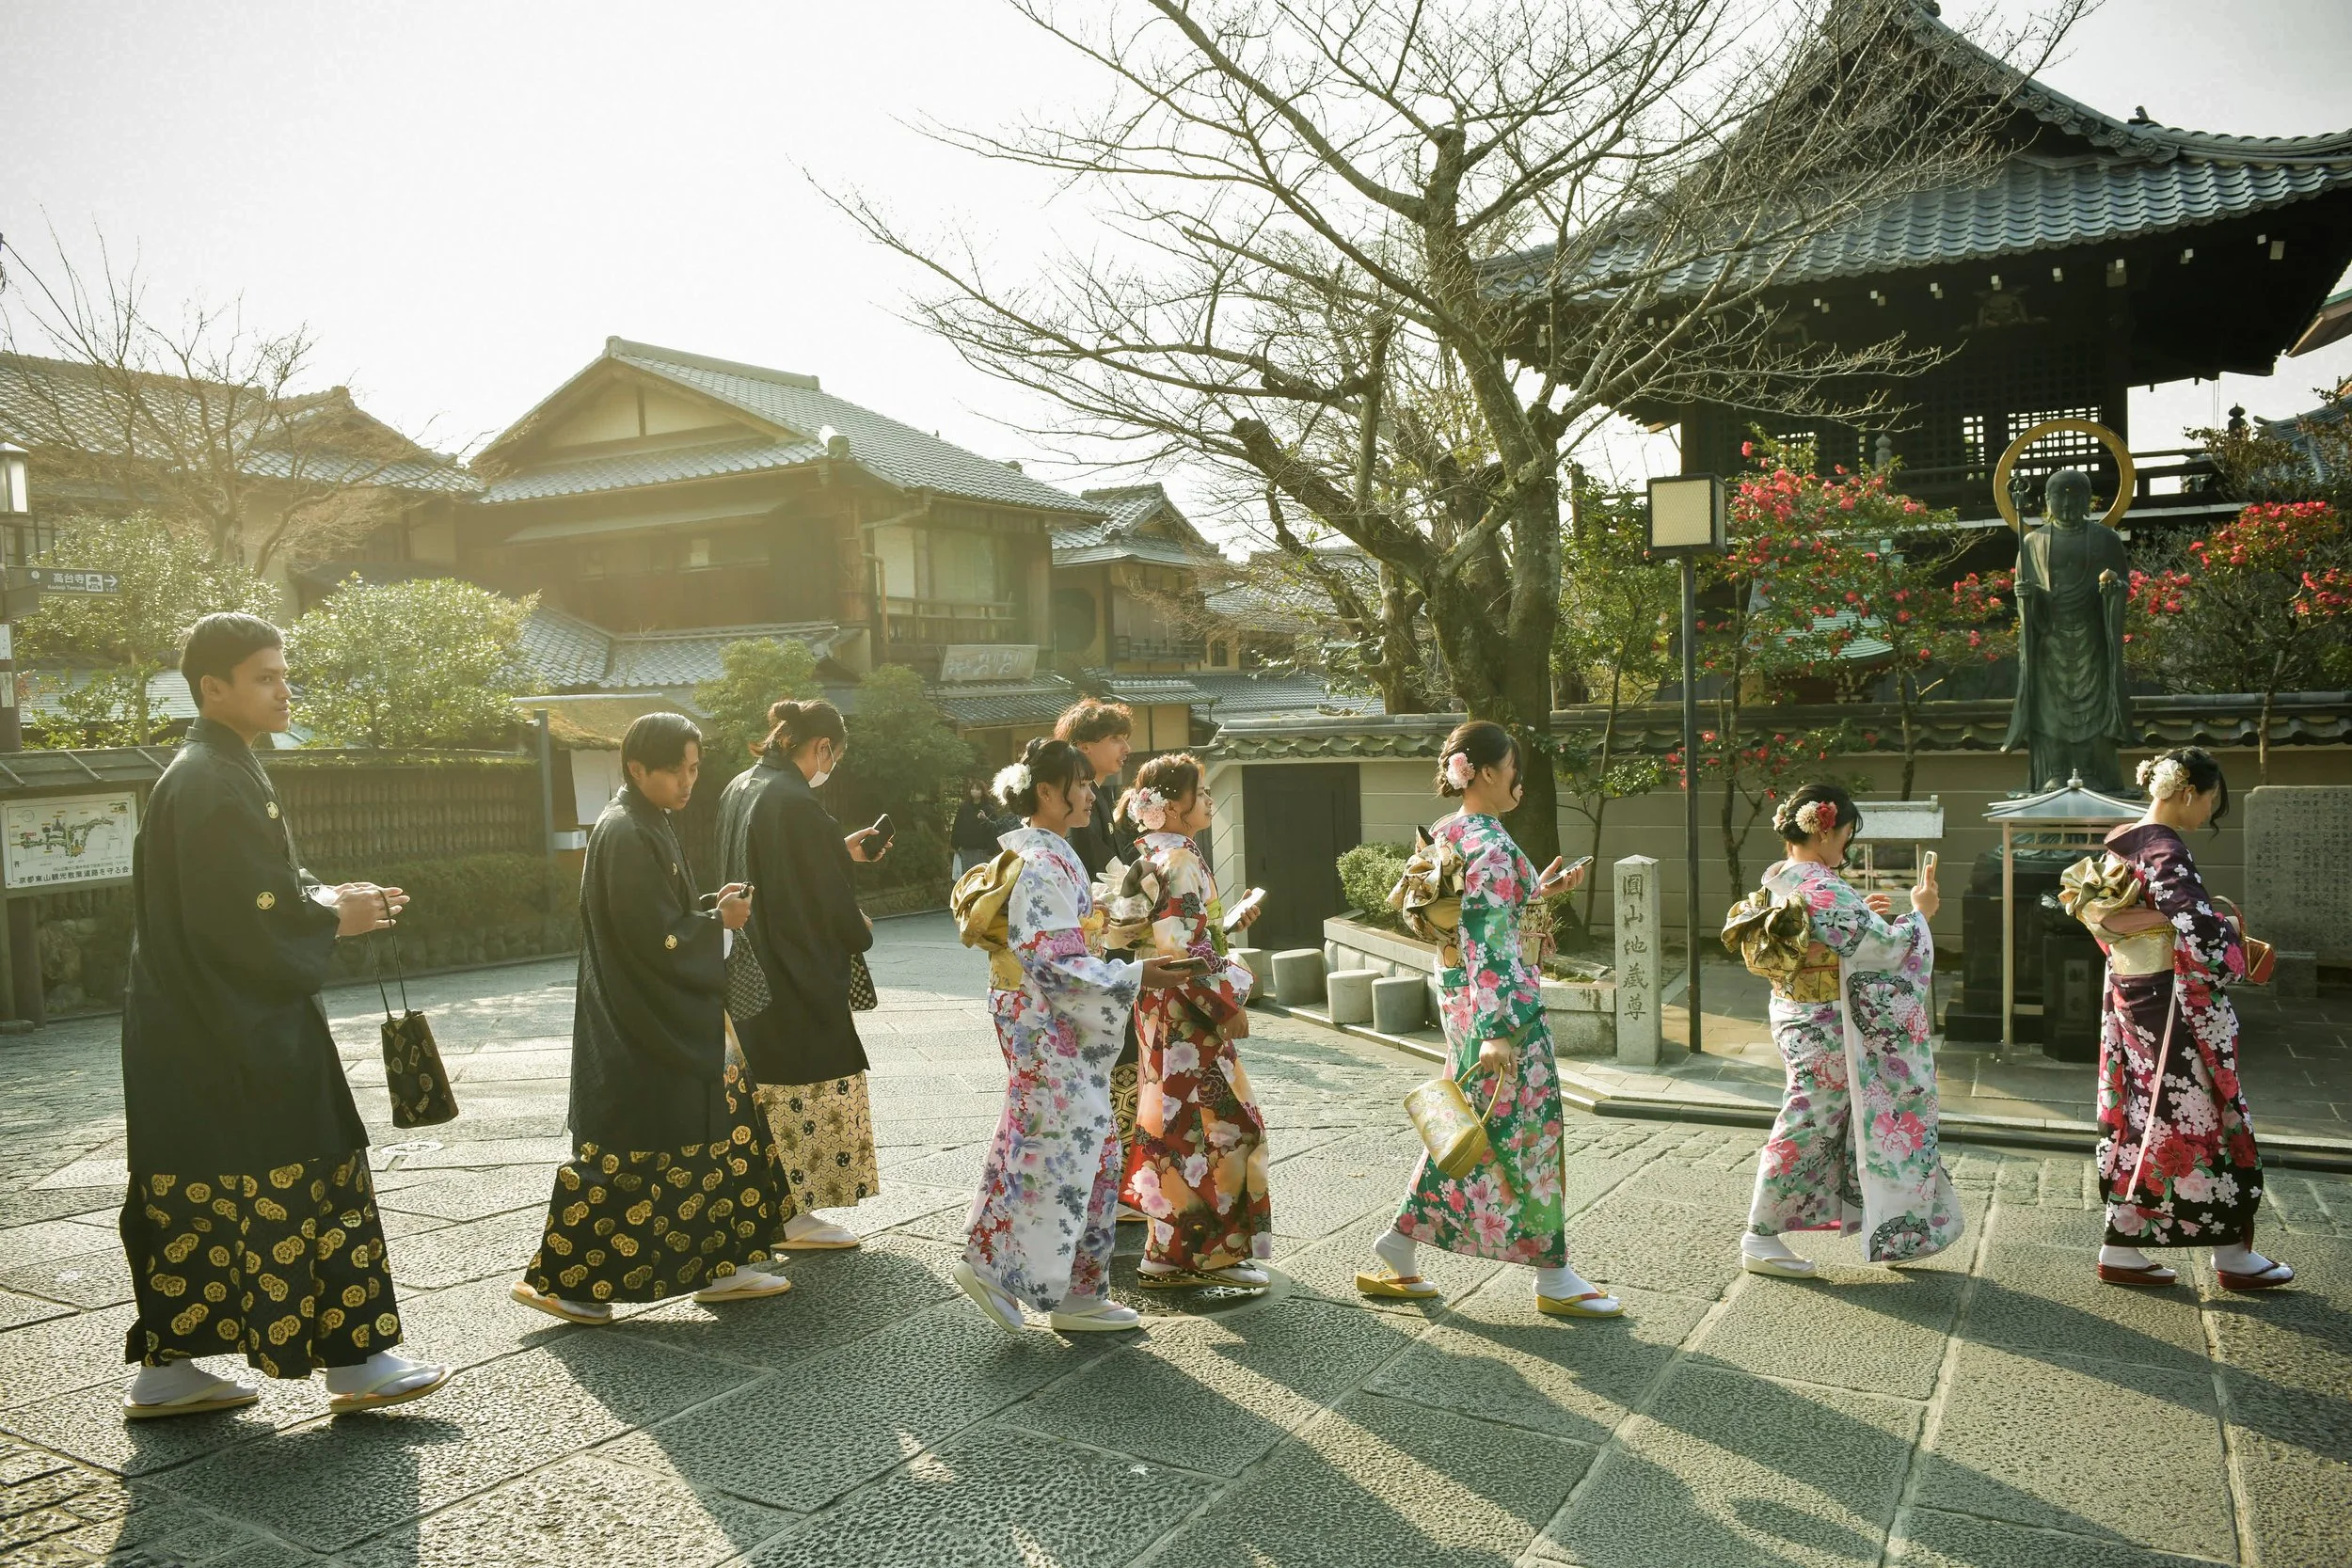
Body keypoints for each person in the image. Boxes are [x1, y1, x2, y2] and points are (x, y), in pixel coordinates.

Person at [118, 612, 449, 1418]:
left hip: (201, 1024)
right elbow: (241, 917)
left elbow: (260, 893)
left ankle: (171, 1365)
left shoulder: (217, 769)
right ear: (213, 688)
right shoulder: (208, 778)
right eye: (264, 676)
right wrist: (336, 916)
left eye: (282, 672)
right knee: (314, 1166)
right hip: (234, 1024)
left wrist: (334, 899)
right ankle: (355, 1356)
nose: (282, 687)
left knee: (200, 1186)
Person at [514, 712, 793, 1323]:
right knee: (631, 1157)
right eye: (674, 771)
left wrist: (705, 910)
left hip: (655, 1013)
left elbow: (663, 918)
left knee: (712, 1137)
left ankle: (723, 1264)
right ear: (637, 769)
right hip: (639, 1023)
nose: (686, 782)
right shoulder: (626, 831)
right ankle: (564, 1282)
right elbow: (653, 936)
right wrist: (718, 924)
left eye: (693, 769)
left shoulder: (644, 820)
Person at [1359, 721, 1615, 1318]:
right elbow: (1491, 938)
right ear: (1489, 772)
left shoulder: (1448, 836)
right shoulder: (1493, 847)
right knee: (1529, 1131)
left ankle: (1399, 1243)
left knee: (1474, 1134)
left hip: (1461, 1001)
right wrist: (1499, 1029)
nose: (1519, 779)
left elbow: (1463, 921)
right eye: (1514, 767)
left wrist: (1540, 891)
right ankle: (1553, 1275)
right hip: (1502, 1015)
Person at [953, 737, 1190, 1335]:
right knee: (1079, 1149)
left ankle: (1021, 1274)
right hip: (1043, 1019)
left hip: (1039, 1017)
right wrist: (1137, 972)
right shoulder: (1040, 862)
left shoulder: (1044, 855)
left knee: (1048, 1145)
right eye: (1081, 784)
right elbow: (1052, 958)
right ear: (1047, 793)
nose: (1091, 793)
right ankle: (1052, 1287)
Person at [1733, 783, 1964, 1278]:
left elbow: (1848, 937)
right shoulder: (1821, 885)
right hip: (1823, 1025)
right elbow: (1885, 949)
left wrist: (1866, 916)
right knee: (1810, 1119)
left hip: (1798, 1013)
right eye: (1845, 834)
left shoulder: (1781, 877)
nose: (1846, 846)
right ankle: (1760, 1234)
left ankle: (1879, 1219)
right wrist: (1919, 912)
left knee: (1831, 1120)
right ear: (1824, 829)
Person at [2085, 748, 2290, 1291]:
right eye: (2210, 800)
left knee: (2148, 1114)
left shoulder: (2126, 841)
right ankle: (2231, 1253)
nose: (2209, 813)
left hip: (2134, 993)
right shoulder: (2165, 848)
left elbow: (2098, 917)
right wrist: (2236, 946)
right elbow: (2200, 935)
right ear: (2186, 791)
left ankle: (2122, 1247)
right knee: (2200, 1116)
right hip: (2174, 1001)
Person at [713, 699, 890, 1250]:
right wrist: (856, 926)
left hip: (748, 966)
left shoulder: (741, 786)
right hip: (790, 973)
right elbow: (814, 895)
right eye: (831, 756)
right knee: (801, 1082)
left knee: (759, 1089)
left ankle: (774, 1208)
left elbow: (776, 868)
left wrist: (839, 850)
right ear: (820, 748)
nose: (828, 767)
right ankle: (790, 1214)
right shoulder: (795, 802)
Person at [1113, 753, 1274, 1288]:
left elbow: (1158, 937)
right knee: (1226, 1130)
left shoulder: (1153, 854)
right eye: (1200, 793)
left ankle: (1166, 1253)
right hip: (1188, 1015)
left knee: (1175, 1129)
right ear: (1172, 806)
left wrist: (1222, 928)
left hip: (1159, 1007)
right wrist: (1230, 1007)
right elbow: (1184, 951)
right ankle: (1204, 1254)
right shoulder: (1178, 858)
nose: (1208, 801)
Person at [1056, 698, 1145, 1216]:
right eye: (1117, 739)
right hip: (1089, 950)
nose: (1125, 749)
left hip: (1107, 945)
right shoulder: (1075, 805)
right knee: (1113, 1061)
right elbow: (1099, 875)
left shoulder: (1098, 795)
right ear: (1085, 745)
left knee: (1121, 1060)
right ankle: (1108, 1182)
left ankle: (1118, 1179)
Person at [951, 779, 1000, 879]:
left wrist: (991, 850)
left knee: (980, 878)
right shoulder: (964, 807)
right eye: (972, 789)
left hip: (981, 850)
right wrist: (955, 844)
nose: (974, 791)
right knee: (966, 878)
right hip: (965, 849)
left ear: (982, 791)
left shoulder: (988, 808)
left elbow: (994, 829)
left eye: (977, 789)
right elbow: (957, 826)